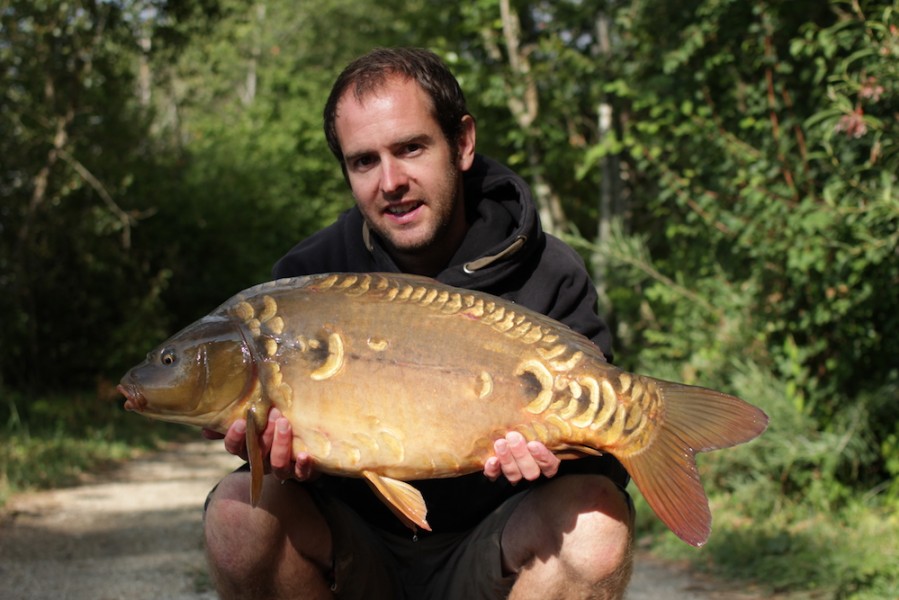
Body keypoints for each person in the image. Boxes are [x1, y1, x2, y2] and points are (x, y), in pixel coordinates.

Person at [203, 47, 635, 600]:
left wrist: (556, 462)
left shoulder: (548, 272)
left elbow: (603, 465)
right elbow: (280, 464)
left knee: (597, 524)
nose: (390, 181)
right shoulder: (306, 281)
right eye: (364, 161)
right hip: (354, 549)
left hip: (496, 548)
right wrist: (283, 462)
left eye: (410, 148)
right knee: (238, 514)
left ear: (462, 143)